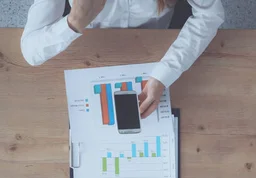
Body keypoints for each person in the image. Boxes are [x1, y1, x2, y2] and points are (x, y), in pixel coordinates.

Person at [20, 0, 224, 118]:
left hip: (159, 47)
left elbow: (210, 15)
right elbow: (30, 51)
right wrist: (73, 23)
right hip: (91, 53)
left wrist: (166, 73)